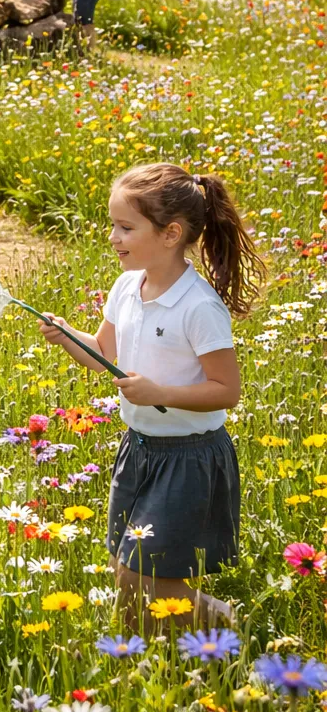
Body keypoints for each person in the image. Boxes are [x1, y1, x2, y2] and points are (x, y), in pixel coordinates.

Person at [38, 163, 265, 627]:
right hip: (139, 448)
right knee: (125, 572)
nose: (113, 237)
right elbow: (106, 351)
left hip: (189, 457)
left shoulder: (198, 306)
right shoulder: (127, 287)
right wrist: (67, 336)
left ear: (170, 234)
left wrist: (157, 391)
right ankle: (158, 655)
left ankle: (229, 625)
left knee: (142, 579)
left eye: (125, 227)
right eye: (112, 226)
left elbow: (227, 391)